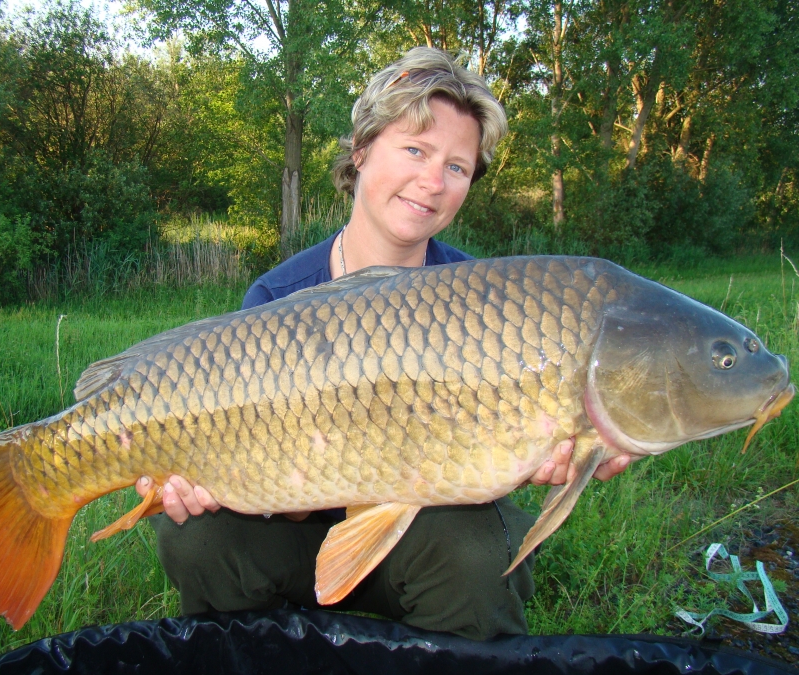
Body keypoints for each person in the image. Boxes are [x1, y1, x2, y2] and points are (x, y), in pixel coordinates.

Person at [136, 47, 633, 640]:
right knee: (195, 534)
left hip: (423, 540)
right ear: (362, 150)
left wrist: (553, 449)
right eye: (416, 150)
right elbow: (275, 481)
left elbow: (507, 440)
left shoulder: (485, 301)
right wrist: (210, 478)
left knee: (479, 550)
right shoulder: (277, 297)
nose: (433, 182)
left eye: (457, 167)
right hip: (291, 535)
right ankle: (259, 651)